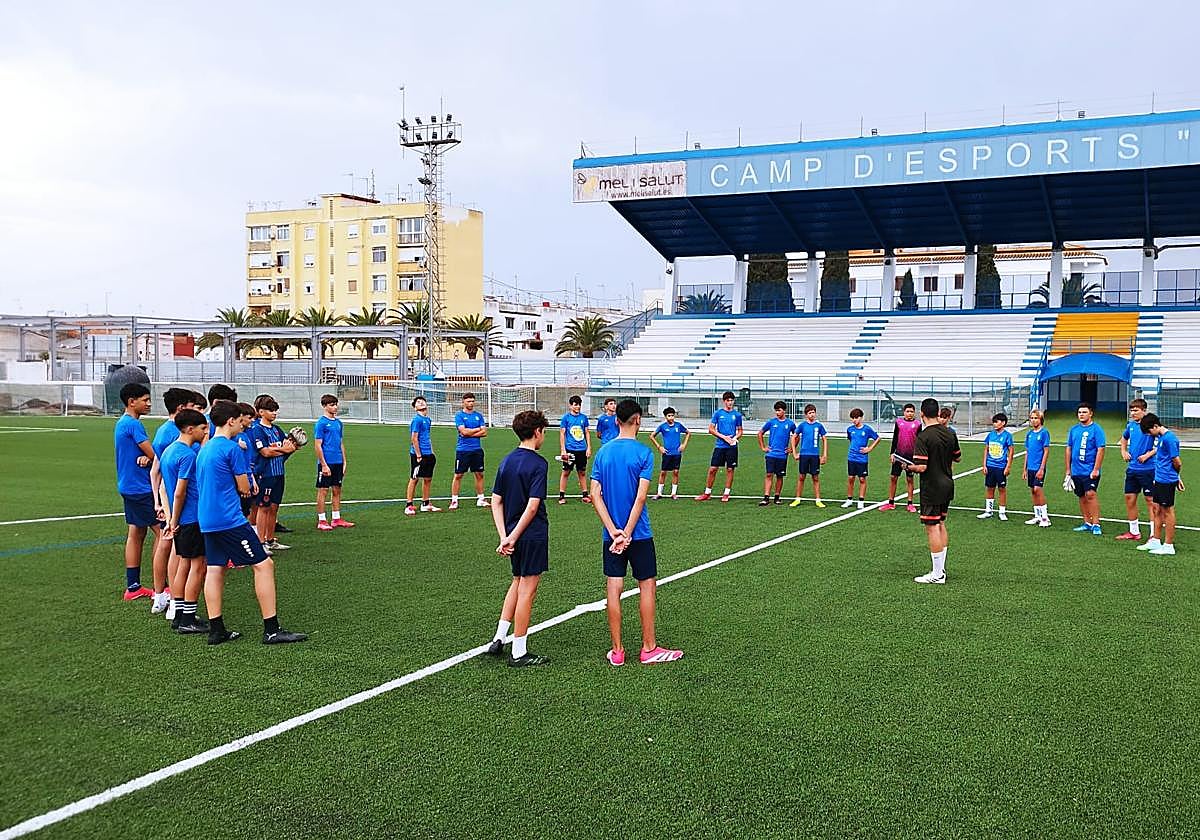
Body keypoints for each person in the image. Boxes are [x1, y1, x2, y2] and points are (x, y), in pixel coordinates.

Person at [196, 400, 306, 646]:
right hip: (229, 519)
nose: (244, 425)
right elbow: (245, 488)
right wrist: (246, 485)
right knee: (264, 565)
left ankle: (217, 629)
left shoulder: (206, 447)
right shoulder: (231, 448)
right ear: (231, 421)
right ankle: (271, 628)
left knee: (215, 569)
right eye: (240, 420)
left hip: (207, 518)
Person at [591, 399, 683, 666]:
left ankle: (617, 651)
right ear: (638, 421)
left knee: (613, 587)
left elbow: (595, 494)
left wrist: (614, 532)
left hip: (612, 537)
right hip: (638, 533)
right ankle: (649, 648)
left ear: (616, 420)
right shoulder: (644, 453)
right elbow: (641, 498)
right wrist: (627, 533)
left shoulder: (603, 453)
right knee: (646, 586)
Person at [485, 410, 551, 667]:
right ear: (537, 432)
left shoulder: (507, 460)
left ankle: (499, 638)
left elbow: (496, 501)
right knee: (528, 588)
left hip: (513, 534)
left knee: (516, 582)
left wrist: (505, 536)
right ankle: (519, 651)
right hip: (531, 534)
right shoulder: (539, 463)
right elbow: (533, 506)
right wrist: (512, 536)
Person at [148, 387, 201, 616]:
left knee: (175, 550)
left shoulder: (166, 435)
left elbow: (156, 470)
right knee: (176, 553)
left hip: (174, 502)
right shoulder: (173, 437)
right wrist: (167, 509)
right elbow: (162, 475)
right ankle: (172, 602)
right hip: (180, 506)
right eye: (194, 407)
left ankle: (168, 599)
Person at [159, 408, 210, 634]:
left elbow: (164, 489)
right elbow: (180, 492)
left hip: (181, 519)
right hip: (191, 518)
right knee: (198, 566)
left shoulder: (169, 451)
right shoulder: (188, 455)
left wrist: (170, 518)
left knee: (184, 564)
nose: (205, 431)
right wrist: (176, 519)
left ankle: (180, 614)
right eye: (202, 428)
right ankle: (188, 616)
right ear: (190, 429)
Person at [113, 382, 161, 602]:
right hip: (141, 488)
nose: (149, 403)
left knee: (136, 533)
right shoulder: (133, 425)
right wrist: (151, 457)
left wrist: (147, 458)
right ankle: (164, 586)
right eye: (145, 400)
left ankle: (133, 586)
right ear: (132, 402)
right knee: (164, 534)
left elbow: (146, 455)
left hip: (128, 486)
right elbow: (155, 455)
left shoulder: (122, 424)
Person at [907, 398, 961, 584]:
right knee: (941, 524)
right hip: (947, 483)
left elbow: (921, 467)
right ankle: (941, 569)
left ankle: (937, 574)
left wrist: (908, 467)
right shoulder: (949, 433)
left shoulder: (923, 436)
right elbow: (958, 458)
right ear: (938, 413)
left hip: (932, 487)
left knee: (932, 527)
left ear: (922, 413)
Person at [250, 395, 295, 550]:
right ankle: (260, 542)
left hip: (279, 473)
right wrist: (282, 449)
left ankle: (270, 540)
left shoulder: (277, 430)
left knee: (274, 506)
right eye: (271, 410)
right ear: (261, 412)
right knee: (263, 507)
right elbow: (265, 452)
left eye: (275, 410)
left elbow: (289, 447)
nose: (274, 413)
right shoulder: (257, 430)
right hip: (265, 474)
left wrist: (287, 447)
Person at [1137, 413, 1184, 556]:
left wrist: (1176, 477)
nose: (1150, 434)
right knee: (1156, 508)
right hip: (1158, 478)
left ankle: (1169, 545)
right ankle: (1156, 540)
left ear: (1156, 426)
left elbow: (1177, 462)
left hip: (1166, 480)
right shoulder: (1161, 438)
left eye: (1150, 431)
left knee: (1168, 511)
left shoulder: (1170, 439)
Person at [1117, 398, 1157, 541]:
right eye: (1131, 410)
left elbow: (1161, 444)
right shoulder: (1131, 426)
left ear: (1144, 410)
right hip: (1132, 468)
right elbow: (1124, 438)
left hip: (1148, 469)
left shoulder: (1152, 425)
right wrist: (1123, 451)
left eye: (1136, 410)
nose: (1133, 413)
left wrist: (1148, 454)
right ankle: (1134, 532)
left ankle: (1154, 534)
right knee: (1130, 498)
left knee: (1150, 500)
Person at [1065, 402, 1106, 536]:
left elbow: (1101, 449)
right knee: (1081, 496)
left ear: (1091, 413)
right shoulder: (1074, 429)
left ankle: (1096, 524)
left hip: (1090, 470)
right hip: (1076, 470)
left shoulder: (1096, 429)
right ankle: (1087, 522)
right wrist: (1068, 470)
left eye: (1084, 412)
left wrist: (1096, 469)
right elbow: (1069, 449)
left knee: (1091, 494)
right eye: (1079, 412)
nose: (1081, 415)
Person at [314, 394, 354, 529]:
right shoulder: (321, 423)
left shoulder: (338, 423)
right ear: (324, 406)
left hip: (337, 461)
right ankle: (322, 520)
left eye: (336, 404)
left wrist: (344, 461)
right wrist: (323, 464)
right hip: (327, 461)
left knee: (337, 490)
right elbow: (318, 444)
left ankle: (336, 518)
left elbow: (340, 442)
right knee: (323, 490)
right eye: (331, 405)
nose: (335, 407)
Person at [696, 391, 742, 502]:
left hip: (731, 447)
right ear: (724, 401)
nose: (730, 402)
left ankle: (726, 493)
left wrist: (735, 438)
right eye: (728, 400)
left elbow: (740, 430)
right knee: (713, 469)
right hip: (720, 446)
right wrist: (724, 437)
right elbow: (711, 429)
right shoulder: (718, 413)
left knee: (730, 469)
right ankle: (707, 493)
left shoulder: (737, 415)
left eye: (731, 400)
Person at [450, 392, 489, 511]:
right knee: (458, 475)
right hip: (463, 450)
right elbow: (463, 432)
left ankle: (481, 499)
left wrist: (470, 432)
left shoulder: (479, 416)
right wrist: (477, 430)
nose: (471, 403)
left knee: (479, 474)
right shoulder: (459, 416)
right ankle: (454, 500)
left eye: (472, 401)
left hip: (476, 450)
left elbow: (485, 432)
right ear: (463, 402)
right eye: (468, 401)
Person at [881, 403, 922, 512]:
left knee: (909, 479)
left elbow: (920, 442)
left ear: (914, 413)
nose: (909, 413)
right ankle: (891, 502)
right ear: (904, 412)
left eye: (911, 411)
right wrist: (892, 453)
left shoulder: (918, 424)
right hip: (898, 455)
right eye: (907, 411)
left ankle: (910, 503)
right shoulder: (899, 423)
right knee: (893, 477)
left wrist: (917, 458)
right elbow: (895, 438)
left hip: (910, 457)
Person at [405, 395, 441, 515]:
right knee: (414, 478)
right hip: (418, 455)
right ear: (415, 408)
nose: (421, 403)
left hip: (428, 454)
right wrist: (419, 455)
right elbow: (414, 438)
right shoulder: (417, 420)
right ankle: (409, 505)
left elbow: (427, 437)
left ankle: (425, 503)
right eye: (418, 402)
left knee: (428, 479)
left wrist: (431, 452)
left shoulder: (428, 420)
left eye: (422, 401)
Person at [790, 403, 828, 508]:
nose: (812, 414)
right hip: (804, 455)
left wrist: (824, 454)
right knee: (801, 476)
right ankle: (797, 498)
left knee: (815, 477)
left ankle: (818, 499)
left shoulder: (819, 426)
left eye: (813, 412)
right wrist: (794, 452)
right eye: (810, 413)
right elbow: (794, 437)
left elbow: (824, 439)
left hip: (815, 455)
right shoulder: (802, 425)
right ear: (806, 414)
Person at [757, 401, 796, 506]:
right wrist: (763, 447)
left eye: (779, 410)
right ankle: (766, 497)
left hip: (782, 455)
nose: (777, 412)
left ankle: (777, 497)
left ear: (784, 411)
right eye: (776, 410)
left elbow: (796, 436)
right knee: (769, 474)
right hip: (771, 454)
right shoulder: (771, 422)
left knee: (779, 476)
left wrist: (792, 449)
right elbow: (760, 433)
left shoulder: (790, 423)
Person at [977, 412, 1014, 521]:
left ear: (1003, 423)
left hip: (1001, 466)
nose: (994, 424)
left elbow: (1011, 451)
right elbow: (986, 450)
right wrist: (984, 465)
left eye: (996, 421)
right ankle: (988, 511)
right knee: (989, 487)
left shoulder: (1007, 436)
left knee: (1002, 489)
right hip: (990, 465)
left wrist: (1008, 466)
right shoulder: (991, 435)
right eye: (994, 422)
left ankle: (1002, 511)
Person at [843, 408, 880, 509]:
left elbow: (877, 438)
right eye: (852, 418)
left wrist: (869, 448)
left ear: (861, 418)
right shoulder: (850, 430)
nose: (854, 420)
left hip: (862, 459)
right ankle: (849, 499)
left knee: (862, 479)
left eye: (856, 418)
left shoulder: (867, 429)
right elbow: (851, 440)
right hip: (851, 458)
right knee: (851, 478)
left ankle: (861, 500)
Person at [557, 395, 591, 504]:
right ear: (570, 405)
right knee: (566, 472)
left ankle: (585, 495)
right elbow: (562, 434)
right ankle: (561, 496)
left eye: (579, 404)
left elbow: (586, 433)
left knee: (582, 472)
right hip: (570, 450)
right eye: (576, 404)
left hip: (582, 449)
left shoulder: (584, 418)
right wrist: (563, 450)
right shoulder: (566, 418)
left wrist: (588, 447)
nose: (578, 407)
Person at [650, 407, 690, 500]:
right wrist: (659, 447)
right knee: (663, 472)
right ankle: (659, 493)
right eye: (669, 416)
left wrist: (684, 445)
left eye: (672, 415)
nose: (671, 417)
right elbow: (652, 436)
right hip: (667, 453)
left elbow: (688, 433)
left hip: (677, 453)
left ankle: (673, 493)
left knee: (676, 472)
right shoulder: (662, 426)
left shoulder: (678, 425)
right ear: (665, 417)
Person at [1023, 409, 1052, 527]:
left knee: (1037, 489)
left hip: (1038, 467)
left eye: (1036, 418)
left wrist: (1041, 468)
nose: (1033, 420)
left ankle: (1045, 518)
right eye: (1032, 418)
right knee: (1032, 491)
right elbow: (1027, 451)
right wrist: (1024, 469)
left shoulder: (1044, 433)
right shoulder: (1029, 434)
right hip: (1030, 467)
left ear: (1041, 420)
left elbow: (1046, 451)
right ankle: (1037, 516)